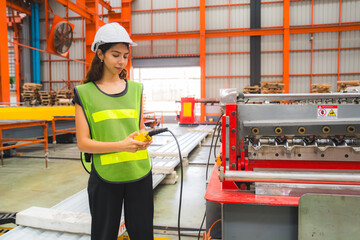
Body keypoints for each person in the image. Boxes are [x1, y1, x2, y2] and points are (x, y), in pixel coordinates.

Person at [73, 22, 154, 240]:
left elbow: (138, 128)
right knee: (103, 234)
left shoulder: (136, 89)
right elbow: (83, 143)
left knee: (143, 233)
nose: (121, 61)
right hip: (105, 177)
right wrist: (122, 146)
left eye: (125, 56)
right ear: (100, 54)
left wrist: (143, 138)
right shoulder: (84, 93)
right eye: (115, 55)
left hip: (139, 172)